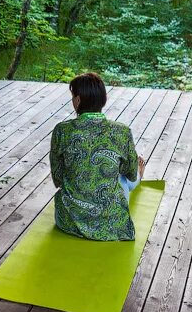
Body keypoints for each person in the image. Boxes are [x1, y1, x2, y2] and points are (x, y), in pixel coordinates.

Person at [50, 73, 146, 241]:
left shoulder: (62, 130)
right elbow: (128, 172)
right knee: (126, 177)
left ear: (78, 100)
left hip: (69, 220)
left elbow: (58, 178)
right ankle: (140, 175)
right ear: (104, 100)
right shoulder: (121, 131)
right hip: (111, 221)